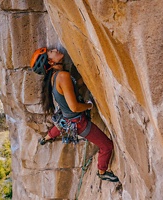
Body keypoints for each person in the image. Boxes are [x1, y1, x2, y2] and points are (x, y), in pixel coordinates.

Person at [30, 46, 119, 182]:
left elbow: (73, 85)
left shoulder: (55, 76)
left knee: (62, 125)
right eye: (51, 52)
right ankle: (102, 171)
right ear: (51, 62)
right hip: (78, 123)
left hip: (68, 119)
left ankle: (46, 138)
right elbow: (75, 107)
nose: (54, 49)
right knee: (106, 146)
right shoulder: (62, 76)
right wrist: (89, 105)